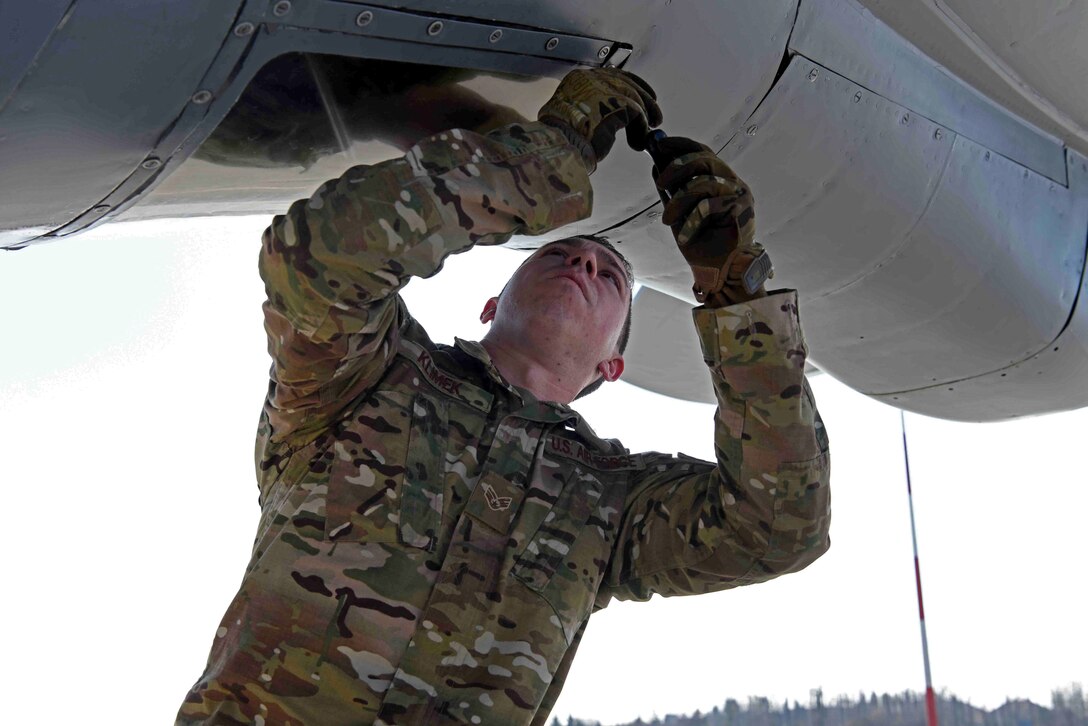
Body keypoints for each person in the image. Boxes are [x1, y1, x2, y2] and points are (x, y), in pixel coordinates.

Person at [177, 67, 831, 726]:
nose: (584, 265)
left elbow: (778, 526)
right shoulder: (362, 375)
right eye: (560, 256)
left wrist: (737, 291)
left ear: (612, 365)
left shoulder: (612, 500)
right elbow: (316, 256)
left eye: (608, 277)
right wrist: (548, 158)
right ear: (493, 302)